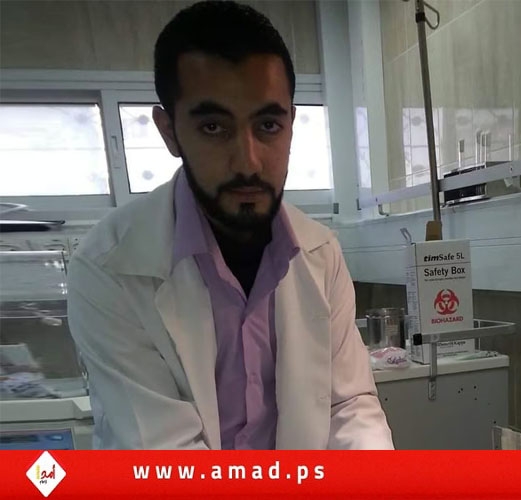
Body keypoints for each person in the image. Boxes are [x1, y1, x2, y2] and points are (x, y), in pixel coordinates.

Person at [66, 0, 393, 450]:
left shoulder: (321, 252)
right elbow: (167, 455)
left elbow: (348, 403)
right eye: (214, 128)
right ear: (169, 131)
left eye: (268, 125)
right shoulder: (108, 266)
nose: (248, 162)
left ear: (291, 123)